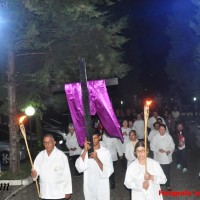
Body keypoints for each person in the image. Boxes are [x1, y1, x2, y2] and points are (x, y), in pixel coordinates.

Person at [75, 129, 114, 200]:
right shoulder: (85, 150)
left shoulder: (105, 152)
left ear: (99, 137)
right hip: (89, 183)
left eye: (95, 138)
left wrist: (97, 159)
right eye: (91, 139)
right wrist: (85, 151)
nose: (93, 141)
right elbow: (79, 167)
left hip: (101, 184)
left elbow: (108, 171)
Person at [31, 134, 72, 200]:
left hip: (58, 193)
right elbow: (35, 170)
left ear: (54, 143)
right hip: (45, 192)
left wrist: (68, 191)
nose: (47, 144)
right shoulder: (40, 155)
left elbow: (67, 174)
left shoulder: (61, 156)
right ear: (43, 144)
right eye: (45, 142)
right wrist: (34, 174)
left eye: (49, 142)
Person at [150, 124, 175, 191]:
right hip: (158, 158)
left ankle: (168, 185)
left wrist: (169, 151)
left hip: (167, 158)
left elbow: (172, 145)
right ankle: (159, 185)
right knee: (159, 172)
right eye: (160, 129)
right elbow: (152, 146)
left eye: (163, 129)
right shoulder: (156, 137)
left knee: (167, 172)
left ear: (165, 130)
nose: (162, 131)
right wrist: (158, 150)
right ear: (159, 130)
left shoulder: (168, 136)